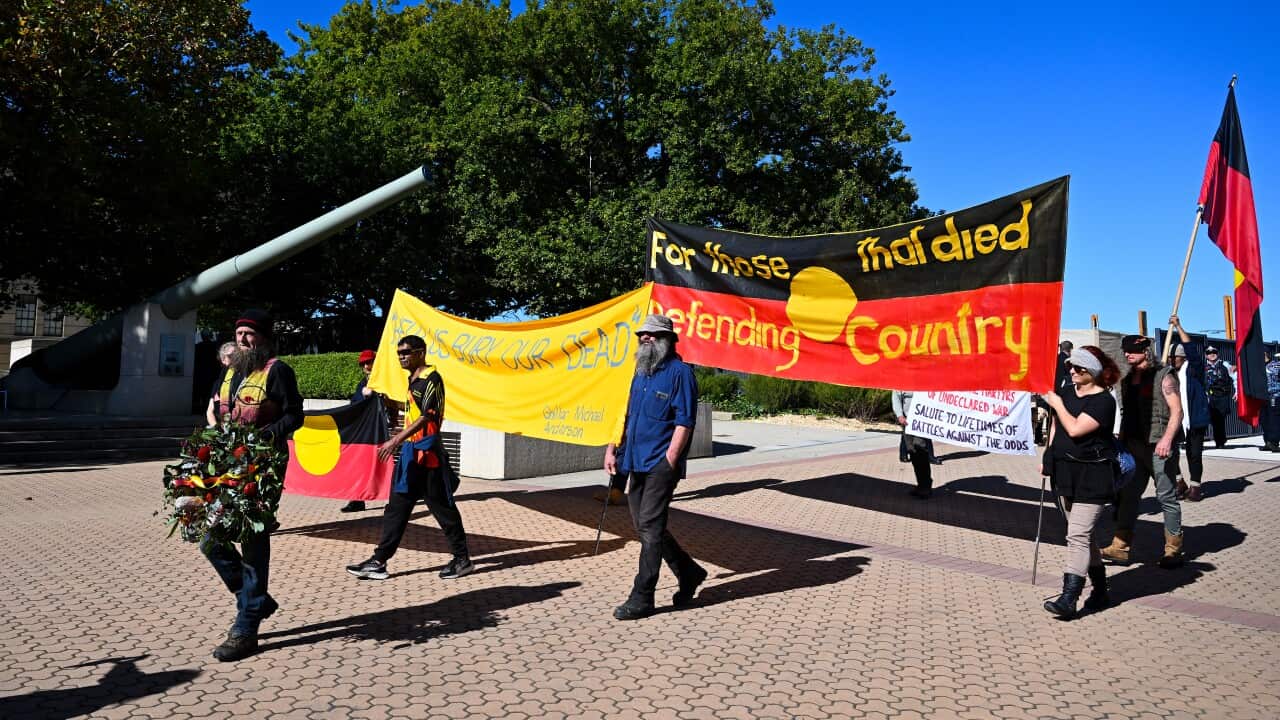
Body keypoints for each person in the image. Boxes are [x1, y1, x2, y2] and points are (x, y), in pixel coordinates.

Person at [204, 309, 304, 662]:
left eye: (250, 334)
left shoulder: (277, 371)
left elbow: (295, 415)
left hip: (263, 467)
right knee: (209, 539)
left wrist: (266, 436)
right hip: (227, 465)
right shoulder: (230, 371)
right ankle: (256, 601)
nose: (244, 339)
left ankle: (246, 628)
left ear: (263, 338)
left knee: (252, 540)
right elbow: (217, 408)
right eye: (239, 333)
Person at [346, 335, 473, 581]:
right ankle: (379, 561)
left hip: (428, 456)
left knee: (443, 509)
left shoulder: (432, 379)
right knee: (396, 508)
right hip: (410, 456)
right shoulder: (412, 379)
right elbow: (413, 411)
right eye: (399, 353)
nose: (401, 357)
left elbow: (428, 416)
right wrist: (387, 402)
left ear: (420, 352)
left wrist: (395, 440)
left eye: (406, 352)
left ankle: (462, 559)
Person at [605, 314, 706, 620]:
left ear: (668, 339)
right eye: (642, 334)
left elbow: (684, 421)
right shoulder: (640, 373)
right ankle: (688, 572)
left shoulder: (680, 373)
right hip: (634, 459)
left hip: (660, 464)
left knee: (649, 526)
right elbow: (627, 416)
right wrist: (612, 450)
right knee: (645, 525)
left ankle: (642, 597)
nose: (645, 338)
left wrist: (670, 460)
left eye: (653, 334)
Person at [1041, 345, 1121, 619]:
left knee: (1076, 535)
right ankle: (1100, 589)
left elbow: (1075, 429)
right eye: (1070, 367)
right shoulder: (1066, 392)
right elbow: (1056, 425)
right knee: (1085, 536)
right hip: (1066, 473)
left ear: (1093, 371)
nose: (1072, 371)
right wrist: (1049, 454)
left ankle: (1069, 597)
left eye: (1078, 368)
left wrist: (1057, 404)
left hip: (1093, 476)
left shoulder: (1103, 401)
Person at [1101, 335, 1185, 568]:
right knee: (1127, 496)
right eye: (1125, 350)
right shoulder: (1127, 379)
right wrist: (1120, 442)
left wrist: (1167, 439)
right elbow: (1126, 413)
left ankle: (1173, 550)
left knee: (1166, 497)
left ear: (1146, 351)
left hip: (1159, 445)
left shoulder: (1164, 376)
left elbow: (1177, 411)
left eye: (1132, 350)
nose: (1128, 354)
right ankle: (1120, 546)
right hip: (1133, 446)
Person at [1168, 316, 1209, 501]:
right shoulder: (1169, 374)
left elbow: (1191, 349)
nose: (1171, 360)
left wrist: (1178, 326)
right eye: (1170, 357)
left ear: (1182, 358)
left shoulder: (1193, 370)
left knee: (1194, 454)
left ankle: (1195, 487)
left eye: (1174, 357)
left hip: (1194, 418)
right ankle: (1179, 482)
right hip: (1175, 419)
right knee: (1170, 453)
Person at [339, 349, 379, 513]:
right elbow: (354, 405)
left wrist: (374, 394)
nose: (366, 366)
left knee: (384, 465)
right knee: (359, 464)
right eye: (363, 364)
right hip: (365, 432)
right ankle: (357, 499)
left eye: (369, 362)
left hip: (381, 432)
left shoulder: (383, 382)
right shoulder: (362, 384)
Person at [892, 390, 934, 498]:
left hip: (922, 420)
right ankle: (921, 484)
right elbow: (896, 398)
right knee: (913, 452)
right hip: (907, 422)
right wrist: (900, 415)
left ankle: (926, 485)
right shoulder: (901, 382)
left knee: (920, 450)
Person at [1204, 345, 1235, 448]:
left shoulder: (1225, 365)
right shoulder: (1203, 367)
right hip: (1210, 396)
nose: (1212, 354)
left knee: (1220, 419)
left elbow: (1235, 377)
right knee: (1212, 419)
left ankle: (1220, 441)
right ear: (1206, 355)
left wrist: (1237, 392)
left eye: (1214, 352)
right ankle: (1219, 440)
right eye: (1209, 353)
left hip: (1222, 396)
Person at [205, 341, 237, 427]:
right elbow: (210, 411)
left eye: (237, 355)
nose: (235, 358)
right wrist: (216, 429)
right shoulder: (218, 383)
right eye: (231, 356)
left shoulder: (244, 379)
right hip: (222, 428)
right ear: (223, 360)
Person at [1262, 353, 1280, 452]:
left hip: (1274, 395)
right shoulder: (1259, 366)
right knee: (1265, 420)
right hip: (1263, 397)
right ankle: (1268, 442)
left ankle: (1274, 442)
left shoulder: (1275, 365)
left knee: (1274, 420)